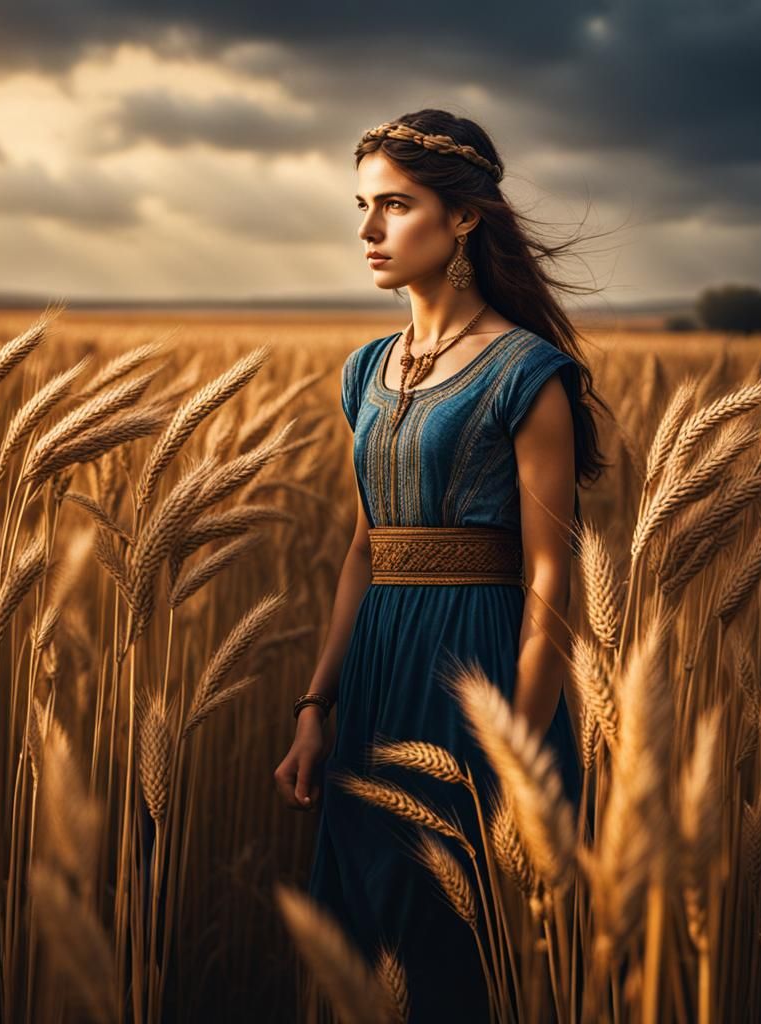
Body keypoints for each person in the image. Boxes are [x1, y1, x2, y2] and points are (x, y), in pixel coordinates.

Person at [273, 109, 611, 1022]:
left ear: (462, 219)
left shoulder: (526, 373)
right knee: (363, 950)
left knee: (461, 958)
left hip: (478, 677)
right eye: (363, 206)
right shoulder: (365, 371)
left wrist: (519, 764)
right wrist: (316, 707)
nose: (368, 230)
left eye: (396, 205)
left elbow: (550, 578)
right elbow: (362, 550)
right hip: (378, 679)